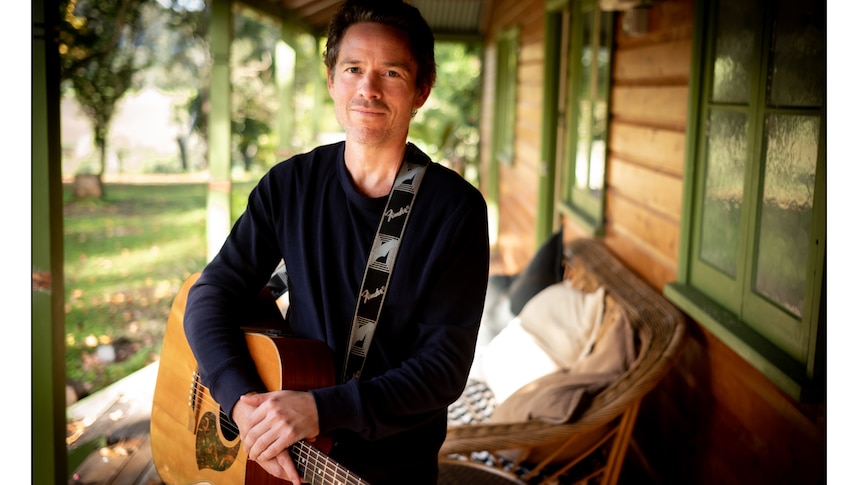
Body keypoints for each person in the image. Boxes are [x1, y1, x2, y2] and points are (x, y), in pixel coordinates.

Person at [183, 0, 490, 483]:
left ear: (421, 90)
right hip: (283, 451)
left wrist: (318, 410)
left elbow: (443, 367)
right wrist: (242, 403)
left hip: (389, 463)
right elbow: (209, 295)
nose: (367, 89)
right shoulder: (289, 185)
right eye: (352, 69)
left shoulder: (456, 211)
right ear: (331, 80)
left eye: (390, 72)